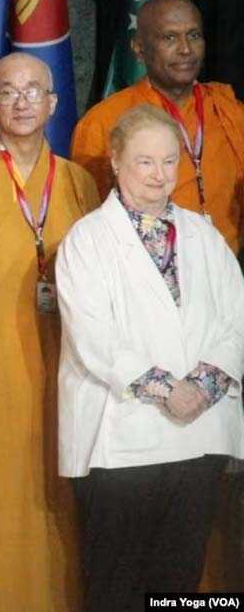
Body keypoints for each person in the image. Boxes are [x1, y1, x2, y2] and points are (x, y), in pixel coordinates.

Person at [56, 104, 244, 610]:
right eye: (145, 161)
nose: (159, 175)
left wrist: (202, 387)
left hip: (199, 436)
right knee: (116, 584)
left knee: (179, 581)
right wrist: (166, 389)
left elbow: (236, 317)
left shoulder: (205, 235)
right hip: (122, 439)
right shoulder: (87, 240)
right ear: (116, 161)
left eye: (168, 161)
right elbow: (93, 336)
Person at [0, 52, 98, 611]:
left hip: (67, 370)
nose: (22, 100)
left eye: (34, 90)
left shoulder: (79, 183)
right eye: (8, 92)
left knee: (59, 497)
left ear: (53, 103)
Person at [71, 0, 244, 252]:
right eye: (169, 38)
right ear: (139, 49)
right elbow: (88, 217)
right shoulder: (103, 121)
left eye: (194, 35)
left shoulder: (229, 109)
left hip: (225, 263)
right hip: (140, 265)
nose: (186, 49)